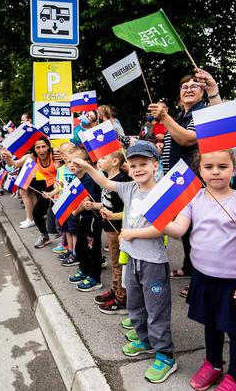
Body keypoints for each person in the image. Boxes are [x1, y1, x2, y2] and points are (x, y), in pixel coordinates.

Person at [72, 141, 177, 384]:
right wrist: (87, 166)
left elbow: (166, 228)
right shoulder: (129, 188)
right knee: (136, 304)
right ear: (127, 167)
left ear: (154, 165)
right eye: (133, 165)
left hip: (153, 262)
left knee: (156, 309)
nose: (138, 169)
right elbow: (106, 183)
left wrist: (132, 234)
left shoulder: (163, 192)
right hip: (132, 259)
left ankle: (165, 355)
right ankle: (145, 339)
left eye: (143, 164)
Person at [155, 149, 236, 391]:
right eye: (209, 166)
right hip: (203, 277)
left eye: (222, 166)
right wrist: (157, 218)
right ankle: (213, 364)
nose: (215, 172)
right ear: (200, 170)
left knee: (235, 331)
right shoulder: (194, 199)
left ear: (234, 169)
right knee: (210, 324)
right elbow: (180, 229)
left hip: (233, 281)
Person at [148, 70, 219, 295]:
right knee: (187, 232)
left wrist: (164, 118)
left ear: (203, 92)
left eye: (194, 85)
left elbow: (188, 139)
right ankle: (190, 268)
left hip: (194, 181)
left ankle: (200, 282)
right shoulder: (180, 117)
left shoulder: (204, 113)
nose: (188, 88)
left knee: (197, 232)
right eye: (184, 86)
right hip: (177, 181)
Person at [92, 149, 131, 314]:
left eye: (103, 157)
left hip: (118, 230)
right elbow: (107, 203)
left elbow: (129, 210)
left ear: (115, 161)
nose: (98, 160)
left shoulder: (121, 181)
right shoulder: (108, 179)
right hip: (109, 228)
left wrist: (112, 215)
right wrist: (95, 206)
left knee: (118, 265)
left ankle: (121, 299)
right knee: (115, 262)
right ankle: (116, 290)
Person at [65, 146, 103, 291]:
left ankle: (94, 277)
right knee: (81, 246)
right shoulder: (76, 178)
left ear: (86, 162)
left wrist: (74, 212)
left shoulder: (89, 178)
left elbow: (85, 201)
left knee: (92, 248)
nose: (72, 165)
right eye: (69, 162)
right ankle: (83, 270)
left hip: (92, 218)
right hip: (82, 217)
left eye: (76, 161)